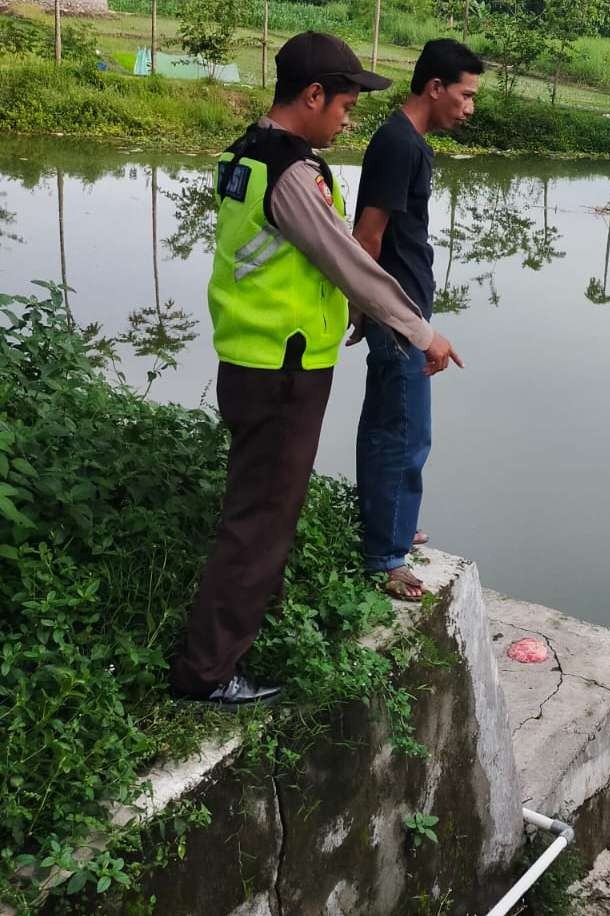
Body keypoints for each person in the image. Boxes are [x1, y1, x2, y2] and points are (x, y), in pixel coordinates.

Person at [169, 32, 462, 706]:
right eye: (346, 104)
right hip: (281, 370)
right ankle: (207, 672)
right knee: (260, 519)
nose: (349, 118)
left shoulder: (244, 153)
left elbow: (299, 268)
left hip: (258, 360)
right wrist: (419, 332)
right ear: (312, 95)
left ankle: (239, 639)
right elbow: (351, 262)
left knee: (265, 510)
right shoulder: (291, 171)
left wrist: (353, 322)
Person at [351, 39, 482, 600]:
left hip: (399, 307)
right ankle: (386, 555)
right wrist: (382, 312)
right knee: (404, 434)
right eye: (466, 94)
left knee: (387, 424)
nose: (470, 107)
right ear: (435, 88)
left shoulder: (405, 142)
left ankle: (391, 526)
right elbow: (367, 236)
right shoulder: (400, 144)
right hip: (400, 312)